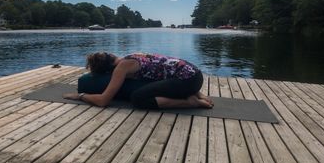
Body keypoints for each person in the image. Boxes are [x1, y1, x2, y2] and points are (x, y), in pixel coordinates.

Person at [64, 52, 214, 109]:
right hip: (195, 74)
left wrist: (80, 96)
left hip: (187, 82)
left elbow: (104, 101)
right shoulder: (135, 55)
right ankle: (197, 94)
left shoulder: (121, 68)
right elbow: (167, 68)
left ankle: (190, 103)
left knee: (138, 98)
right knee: (159, 78)